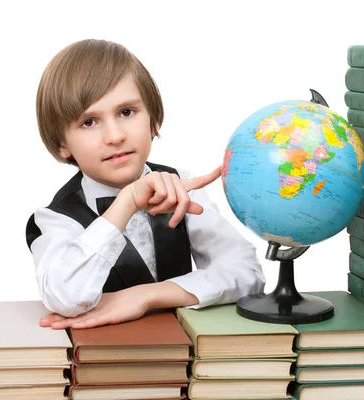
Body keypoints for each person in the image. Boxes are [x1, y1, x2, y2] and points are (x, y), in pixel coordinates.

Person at [26, 39, 265, 330]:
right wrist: (126, 202)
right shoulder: (53, 219)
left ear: (153, 121)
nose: (114, 136)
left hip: (185, 359)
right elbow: (66, 298)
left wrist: (146, 296)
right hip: (100, 363)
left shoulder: (178, 183)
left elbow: (247, 272)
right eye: (89, 122)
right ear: (62, 144)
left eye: (126, 112)